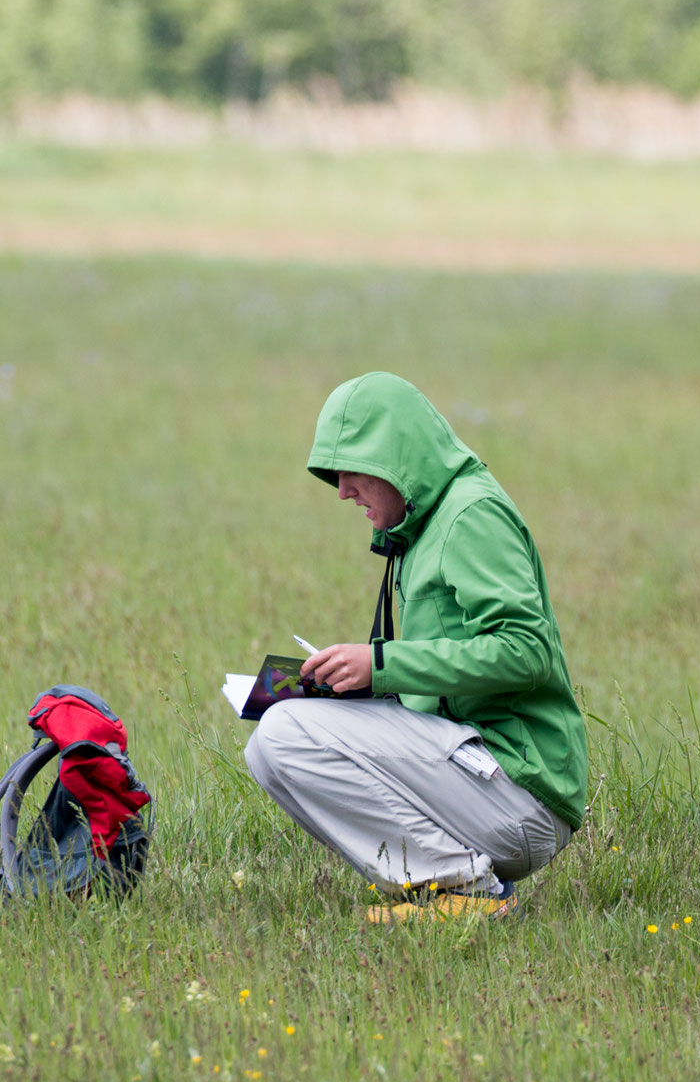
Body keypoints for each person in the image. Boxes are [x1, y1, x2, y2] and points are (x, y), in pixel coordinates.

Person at [244, 371, 588, 922]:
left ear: (393, 460)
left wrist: (381, 666)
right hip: (480, 771)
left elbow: (526, 651)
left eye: (350, 469)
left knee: (287, 733)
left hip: (524, 791)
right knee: (267, 746)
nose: (342, 490)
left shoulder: (470, 516)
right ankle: (444, 887)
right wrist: (355, 689)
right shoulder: (423, 526)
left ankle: (467, 890)